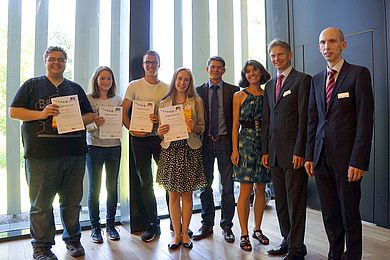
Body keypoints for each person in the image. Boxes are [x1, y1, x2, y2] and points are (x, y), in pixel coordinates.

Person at [9, 46, 95, 259]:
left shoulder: (74, 88)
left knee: (72, 203)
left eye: (61, 59)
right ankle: (42, 246)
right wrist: (42, 113)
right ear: (45, 61)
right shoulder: (31, 86)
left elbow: (90, 116)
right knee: (41, 205)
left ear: (66, 62)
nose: (57, 62)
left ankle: (73, 240)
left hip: (74, 155)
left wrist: (75, 119)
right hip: (41, 157)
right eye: (52, 59)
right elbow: (13, 112)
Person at [304, 27, 374, 260]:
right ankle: (335, 254)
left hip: (348, 161)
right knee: (330, 215)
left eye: (332, 41)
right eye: (323, 42)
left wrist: (359, 160)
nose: (327, 47)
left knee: (349, 214)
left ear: (343, 45)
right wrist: (309, 156)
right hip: (321, 159)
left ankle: (353, 256)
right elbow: (312, 121)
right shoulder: (316, 80)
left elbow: (365, 121)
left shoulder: (358, 74)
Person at [261, 39, 311, 260]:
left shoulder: (302, 80)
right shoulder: (270, 86)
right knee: (281, 200)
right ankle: (287, 240)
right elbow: (267, 120)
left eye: (280, 55)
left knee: (295, 201)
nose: (276, 59)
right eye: (273, 56)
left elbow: (304, 119)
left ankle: (297, 248)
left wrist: (300, 151)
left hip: (293, 154)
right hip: (274, 153)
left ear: (289, 55)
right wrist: (265, 150)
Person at [156, 68, 207, 250]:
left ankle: (185, 233)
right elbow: (160, 133)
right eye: (179, 78)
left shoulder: (196, 101)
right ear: (174, 80)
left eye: (186, 79)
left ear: (190, 82)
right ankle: (176, 234)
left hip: (189, 150)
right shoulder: (163, 103)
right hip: (171, 151)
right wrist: (160, 132)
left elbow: (202, 127)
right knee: (172, 195)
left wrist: (194, 126)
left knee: (187, 194)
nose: (182, 82)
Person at [122, 50, 169, 242]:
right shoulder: (134, 86)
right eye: (147, 62)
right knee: (145, 182)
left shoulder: (167, 88)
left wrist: (159, 119)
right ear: (143, 65)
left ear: (159, 64)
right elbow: (123, 112)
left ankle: (175, 222)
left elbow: (171, 113)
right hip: (139, 139)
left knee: (168, 180)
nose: (150, 65)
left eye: (154, 62)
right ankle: (152, 224)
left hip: (160, 138)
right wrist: (132, 130)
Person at [194, 56, 239, 243]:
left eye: (219, 67)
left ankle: (227, 225)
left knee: (227, 186)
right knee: (205, 186)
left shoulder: (233, 91)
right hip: (204, 142)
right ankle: (206, 224)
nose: (215, 70)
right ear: (207, 69)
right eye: (212, 67)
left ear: (224, 70)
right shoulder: (197, 92)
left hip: (225, 142)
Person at [231, 60, 271, 251]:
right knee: (245, 191)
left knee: (261, 188)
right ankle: (244, 233)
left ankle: (258, 229)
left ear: (261, 72)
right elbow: (234, 125)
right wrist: (234, 150)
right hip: (245, 143)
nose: (251, 74)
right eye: (247, 71)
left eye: (254, 70)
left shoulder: (268, 95)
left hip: (263, 143)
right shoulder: (239, 95)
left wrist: (268, 149)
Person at [86, 66, 122, 243]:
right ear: (96, 80)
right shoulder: (88, 99)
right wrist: (94, 124)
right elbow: (82, 124)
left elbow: (122, 122)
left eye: (109, 78)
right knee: (94, 189)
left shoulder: (118, 100)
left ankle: (110, 225)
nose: (106, 82)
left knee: (112, 187)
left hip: (114, 146)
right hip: (94, 147)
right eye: (102, 78)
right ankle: (95, 227)